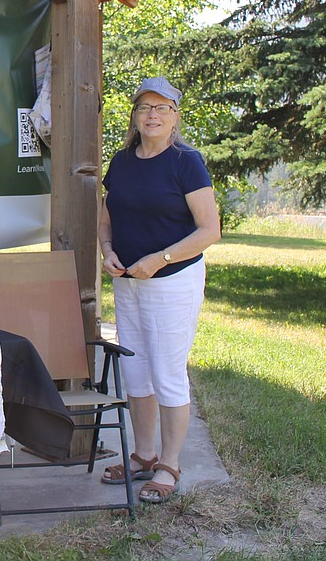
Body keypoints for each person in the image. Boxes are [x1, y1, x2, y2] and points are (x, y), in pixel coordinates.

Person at [97, 76, 221, 503]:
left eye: (161, 108)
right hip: (128, 283)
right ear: (134, 115)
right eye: (145, 107)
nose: (152, 115)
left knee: (167, 374)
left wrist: (161, 259)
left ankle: (169, 464)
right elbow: (107, 212)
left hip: (172, 281)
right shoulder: (122, 161)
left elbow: (209, 231)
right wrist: (108, 248)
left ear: (175, 117)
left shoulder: (186, 162)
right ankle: (143, 455)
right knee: (136, 373)